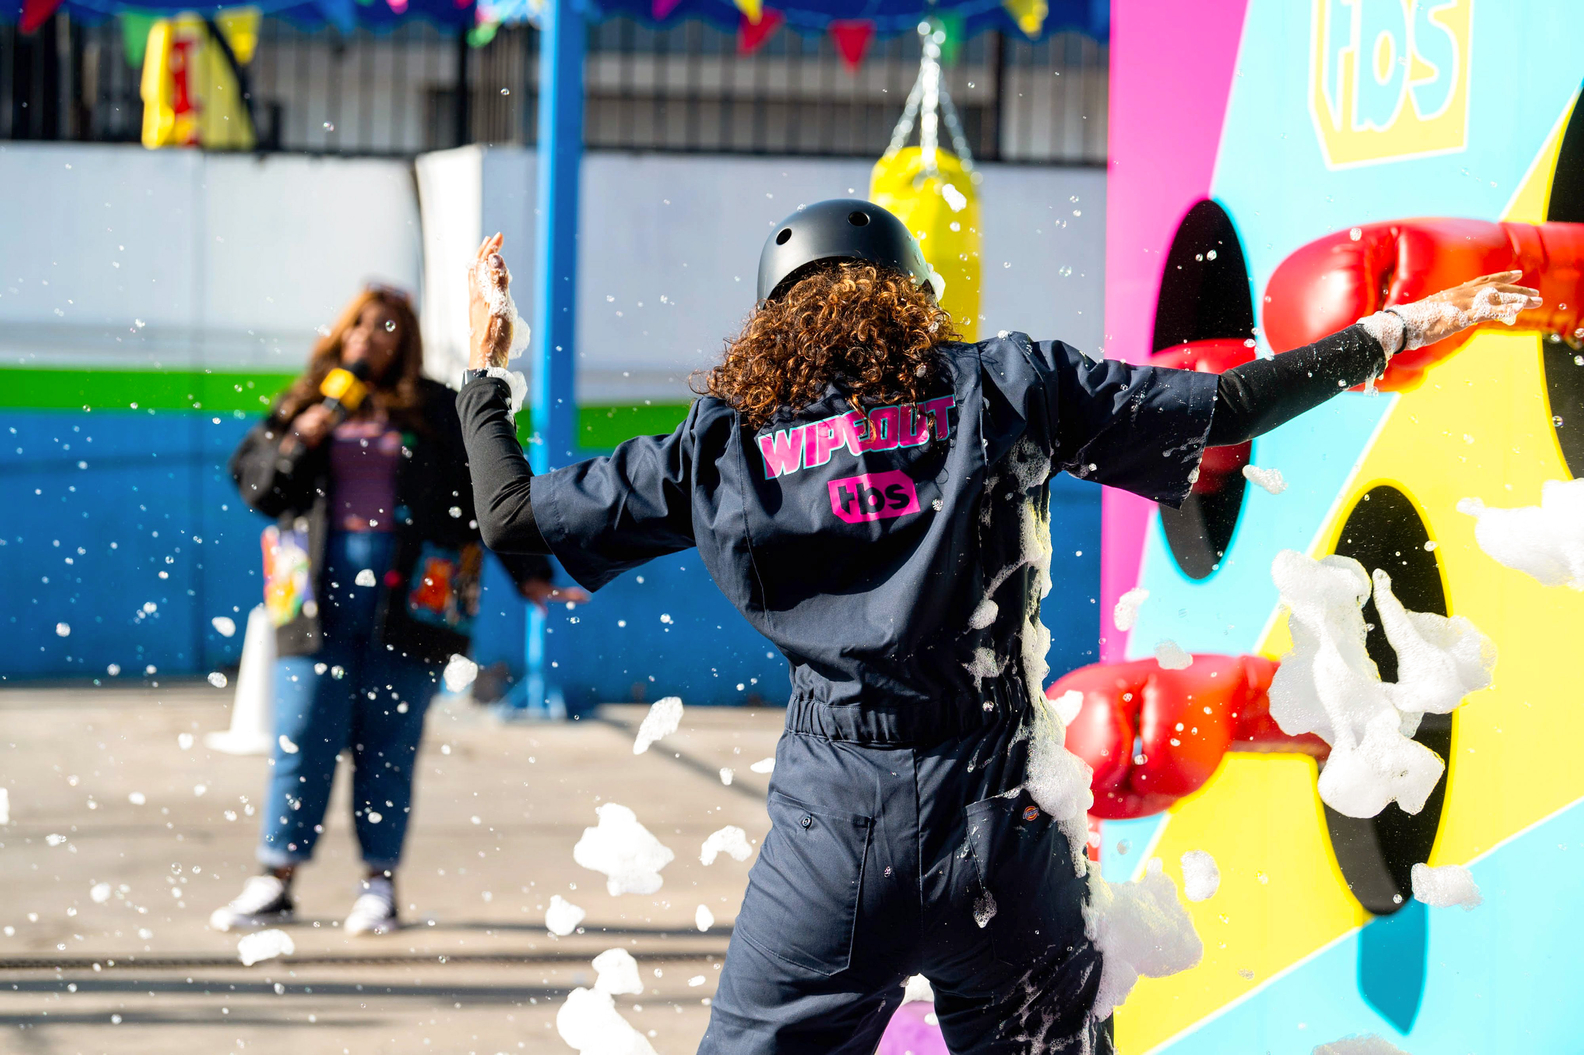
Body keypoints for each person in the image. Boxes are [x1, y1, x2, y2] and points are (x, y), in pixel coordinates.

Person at [455, 207, 1538, 1052]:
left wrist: (484, 374)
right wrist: (1391, 331)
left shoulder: (722, 448)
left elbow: (511, 516)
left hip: (832, 846)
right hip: (1003, 839)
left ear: (771, 316)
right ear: (912, 298)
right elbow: (1223, 409)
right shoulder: (1004, 386)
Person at [211, 284, 583, 937]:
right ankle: (276, 878)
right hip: (315, 605)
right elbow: (258, 487)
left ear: (405, 337)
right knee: (303, 739)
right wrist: (302, 436)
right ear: (341, 331)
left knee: (389, 746)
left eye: (386, 325)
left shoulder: (436, 408)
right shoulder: (307, 401)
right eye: (359, 323)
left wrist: (529, 571)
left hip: (415, 603)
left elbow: (483, 494)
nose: (370, 336)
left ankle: (378, 884)